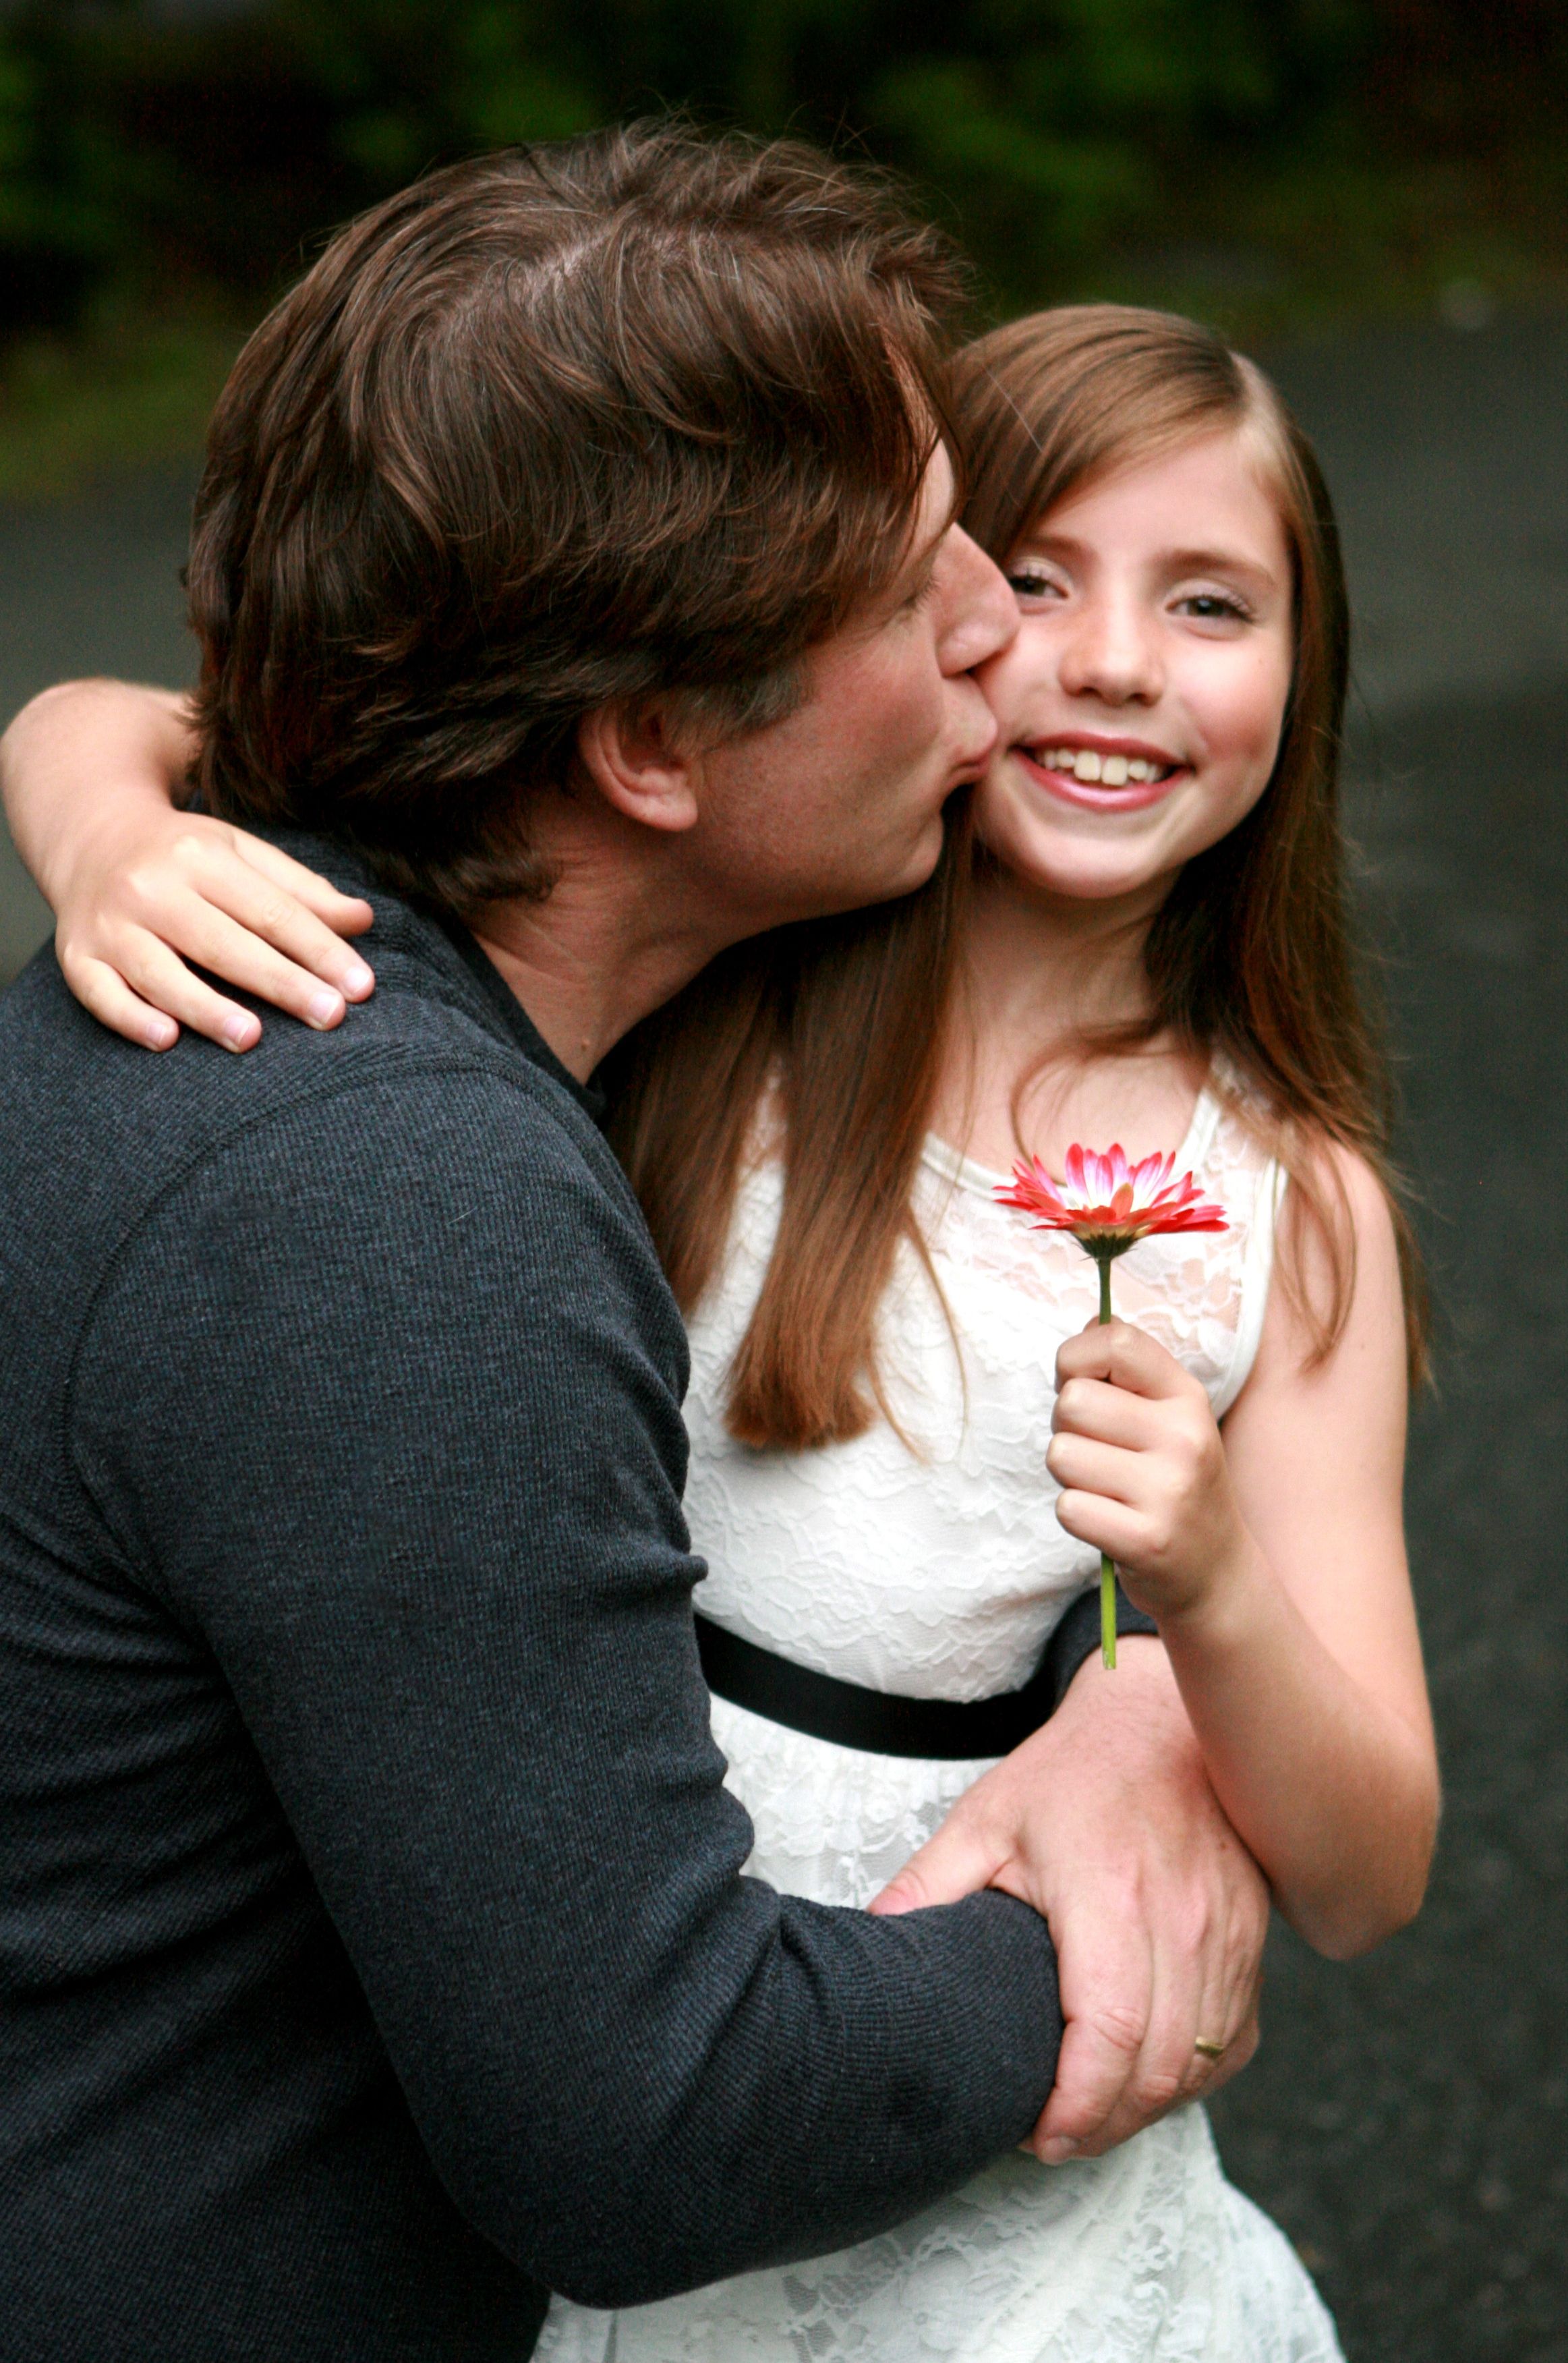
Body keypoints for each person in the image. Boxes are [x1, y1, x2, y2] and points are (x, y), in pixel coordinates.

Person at [7, 296, 1439, 2358]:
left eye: (1211, 601)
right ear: (920, 633)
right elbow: (122, 720)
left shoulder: (1290, 1213)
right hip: (599, 2028)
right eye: (1033, 579)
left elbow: (1372, 1868)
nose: (1114, 658)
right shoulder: (735, 991)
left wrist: (1201, 1604)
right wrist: (101, 820)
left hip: (974, 2183)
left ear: (1307, 679)